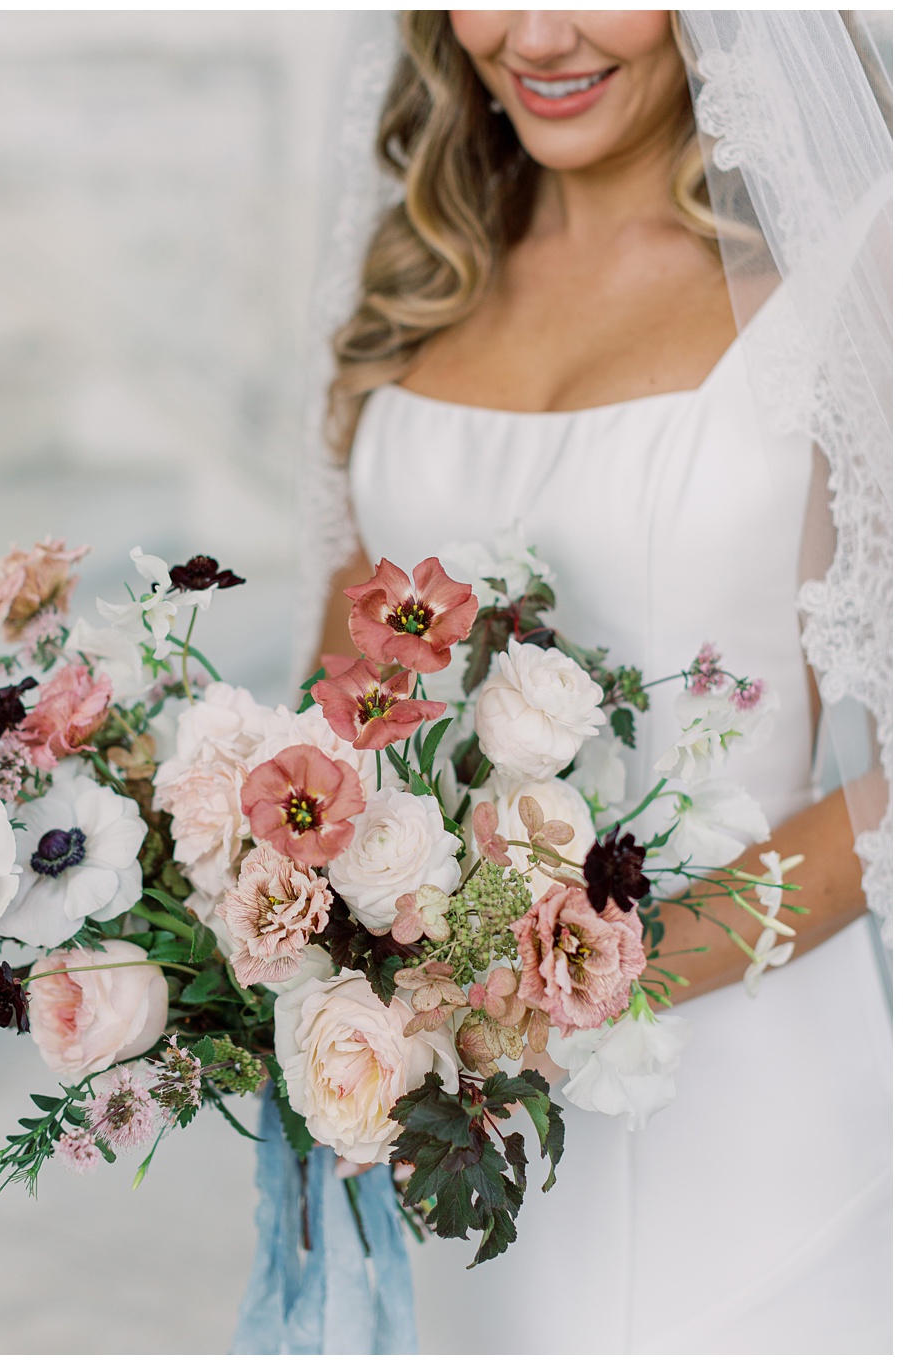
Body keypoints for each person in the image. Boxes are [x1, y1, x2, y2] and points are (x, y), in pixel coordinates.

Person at [305, 11, 890, 1352]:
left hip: (750, 1132)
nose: (539, 31)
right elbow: (341, 702)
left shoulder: (857, 268)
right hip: (445, 1145)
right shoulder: (416, 281)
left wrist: (578, 990)